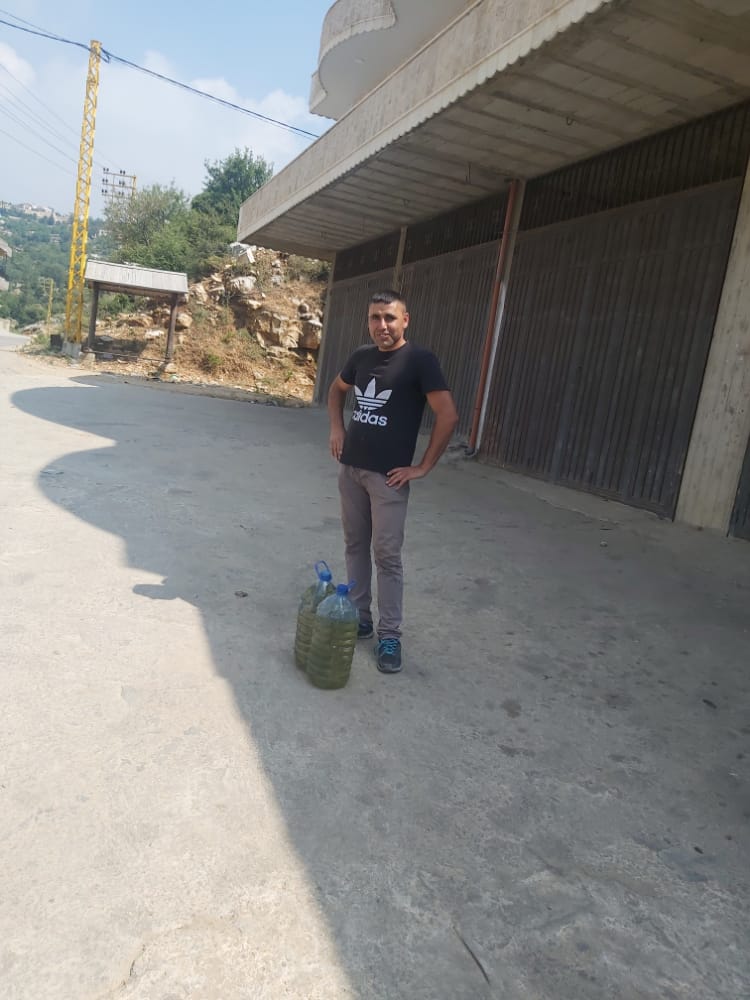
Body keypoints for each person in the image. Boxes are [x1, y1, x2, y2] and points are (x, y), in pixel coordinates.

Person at [327, 290, 458, 674]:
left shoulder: (420, 361)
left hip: (389, 479)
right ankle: (359, 617)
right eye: (375, 318)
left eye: (389, 317)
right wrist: (337, 428)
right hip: (351, 469)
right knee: (354, 545)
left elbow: (448, 415)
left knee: (386, 555)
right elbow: (336, 390)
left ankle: (389, 635)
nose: (381, 325)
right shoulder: (361, 356)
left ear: (405, 320)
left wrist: (423, 467)